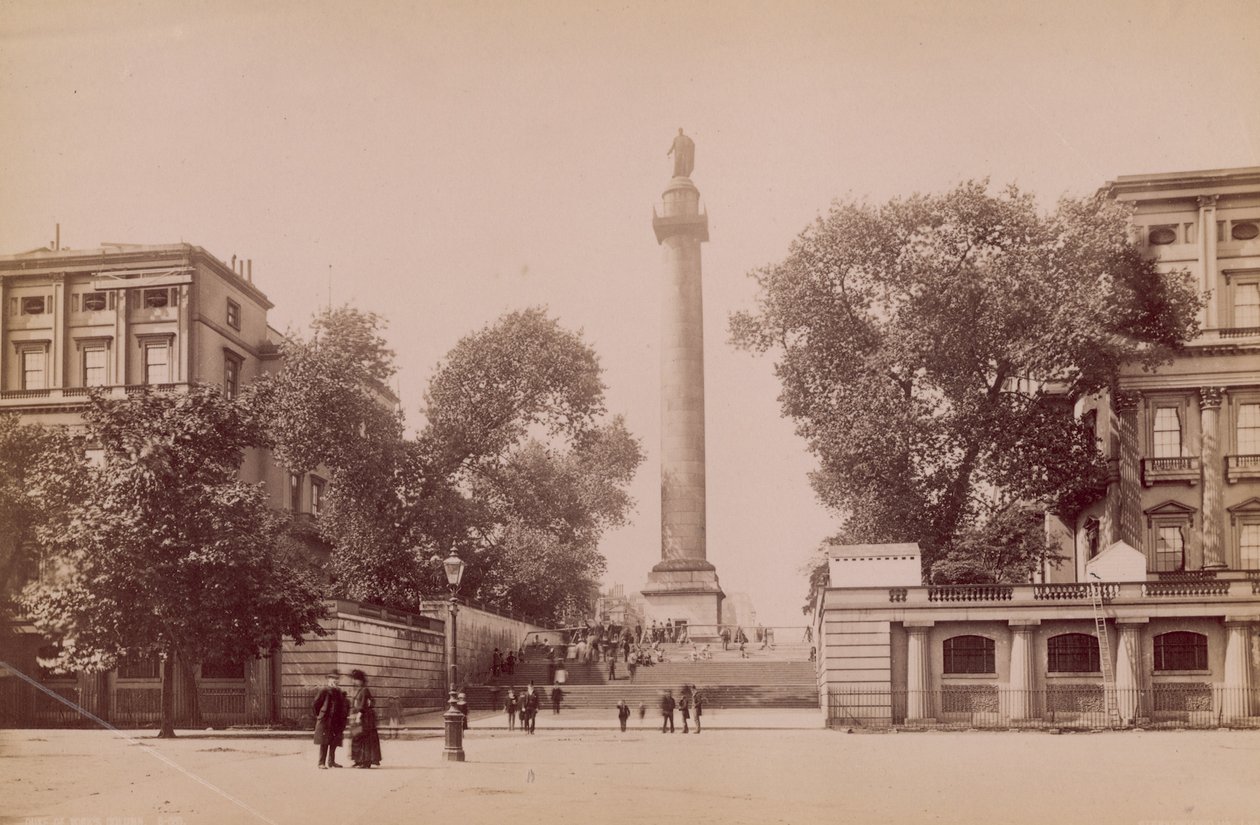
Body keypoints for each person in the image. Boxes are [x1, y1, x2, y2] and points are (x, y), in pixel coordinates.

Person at [312, 671, 348, 769]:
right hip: (326, 719)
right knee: (324, 741)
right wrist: (320, 715)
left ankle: (331, 762)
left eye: (337, 679)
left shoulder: (339, 691)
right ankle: (321, 763)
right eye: (333, 678)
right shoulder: (324, 690)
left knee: (334, 741)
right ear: (328, 679)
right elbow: (316, 704)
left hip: (336, 720)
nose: (336, 681)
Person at [348, 669, 382, 768]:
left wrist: (358, 716)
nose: (353, 681)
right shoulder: (358, 690)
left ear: (360, 680)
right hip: (356, 718)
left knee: (364, 739)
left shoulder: (364, 690)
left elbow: (363, 704)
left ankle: (366, 761)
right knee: (356, 738)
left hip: (363, 718)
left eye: (355, 679)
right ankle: (358, 760)